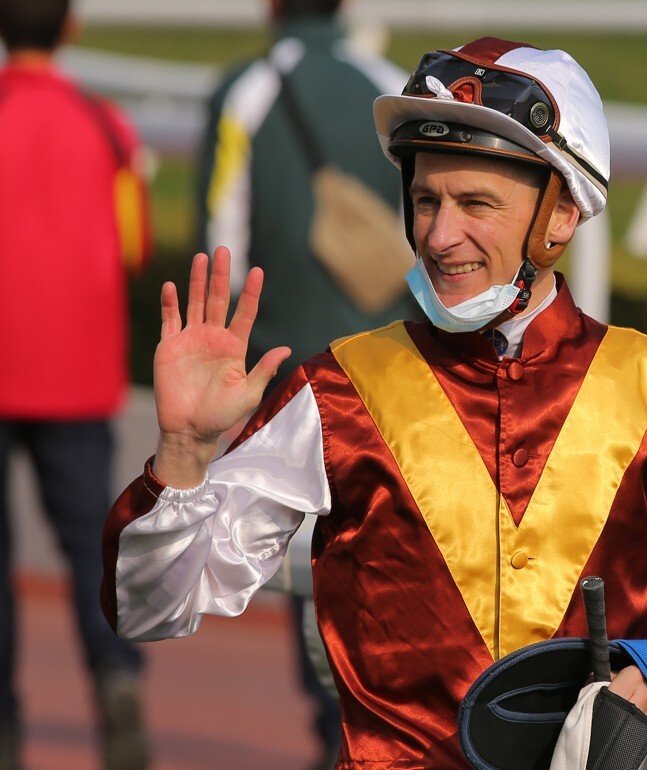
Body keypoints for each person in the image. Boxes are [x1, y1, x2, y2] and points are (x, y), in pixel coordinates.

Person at [102, 37, 647, 766]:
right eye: (426, 200)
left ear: (561, 216)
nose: (438, 234)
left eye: (475, 203)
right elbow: (150, 608)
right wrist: (182, 454)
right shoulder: (337, 390)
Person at [194, 2, 415, 764]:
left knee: (305, 568)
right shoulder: (394, 85)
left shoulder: (246, 91)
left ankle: (337, 737)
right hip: (395, 377)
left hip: (287, 382)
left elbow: (220, 239)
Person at [0, 1, 152, 768]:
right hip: (76, 372)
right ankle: (116, 678)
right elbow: (133, 245)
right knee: (93, 550)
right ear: (70, 28)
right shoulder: (104, 124)